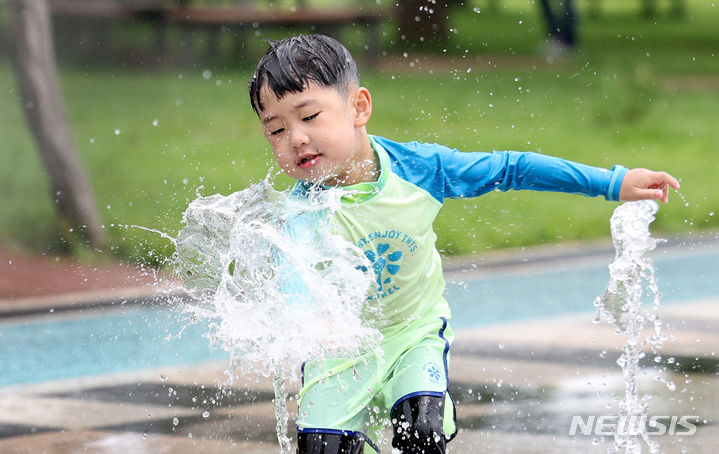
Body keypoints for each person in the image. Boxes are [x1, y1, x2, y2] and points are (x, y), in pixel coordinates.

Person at [247, 34, 680, 454]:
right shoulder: (296, 215)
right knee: (322, 448)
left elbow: (513, 168)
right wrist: (302, 319)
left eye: (308, 117)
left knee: (422, 427)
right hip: (337, 350)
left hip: (412, 335)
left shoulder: (419, 169)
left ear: (358, 107)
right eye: (276, 130)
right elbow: (292, 287)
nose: (295, 139)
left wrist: (613, 182)